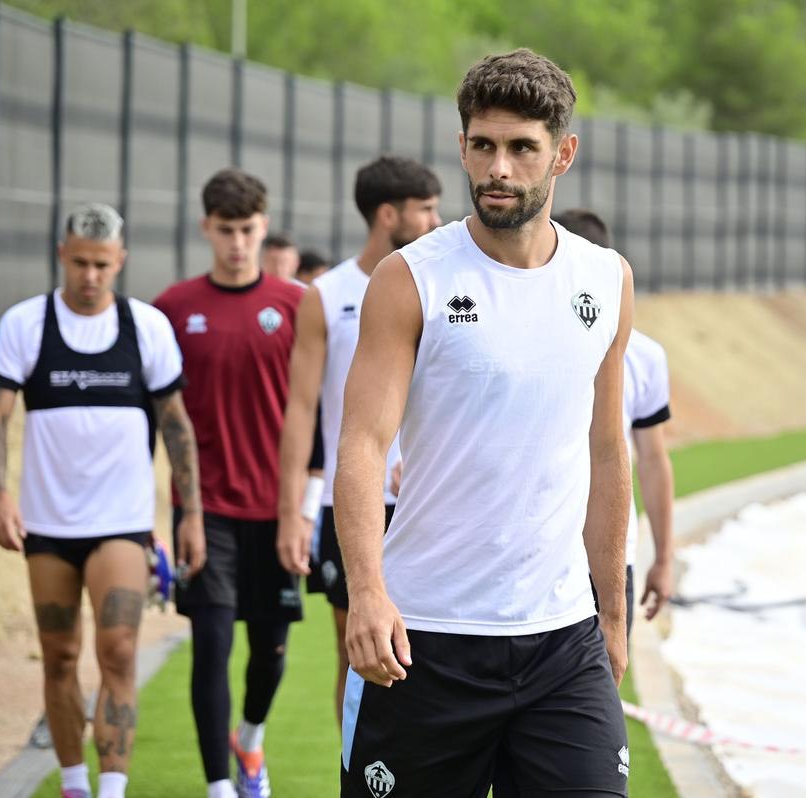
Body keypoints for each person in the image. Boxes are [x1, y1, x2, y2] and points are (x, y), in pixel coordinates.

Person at [334, 49, 634, 796]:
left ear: (562, 154)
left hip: (562, 643)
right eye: (483, 145)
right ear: (462, 146)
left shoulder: (607, 278)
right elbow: (363, 446)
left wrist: (614, 614)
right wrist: (368, 592)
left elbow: (606, 453)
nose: (498, 167)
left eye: (522, 148)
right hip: (426, 637)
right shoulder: (410, 280)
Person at [0, 203, 203, 798]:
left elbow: (177, 427)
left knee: (119, 652)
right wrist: (0, 496)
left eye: (102, 264)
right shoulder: (26, 325)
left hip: (121, 525)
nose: (90, 276)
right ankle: (74, 783)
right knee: (58, 656)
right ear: (62, 256)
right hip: (48, 527)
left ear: (120, 261)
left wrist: (192, 514)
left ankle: (112, 790)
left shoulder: (146, 327)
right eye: (80, 262)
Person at [153, 169, 305, 798]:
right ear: (205, 229)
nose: (237, 243)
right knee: (211, 645)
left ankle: (249, 736)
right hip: (204, 509)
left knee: (269, 653)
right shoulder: (171, 310)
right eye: (226, 231)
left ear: (263, 227)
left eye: (248, 230)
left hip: (278, 508)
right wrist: (168, 517)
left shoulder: (297, 306)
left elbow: (314, 414)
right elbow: (159, 420)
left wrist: (302, 509)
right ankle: (221, 786)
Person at [276, 156, 442, 727]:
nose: (436, 220)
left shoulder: (440, 285)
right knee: (358, 656)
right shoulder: (325, 295)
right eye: (425, 209)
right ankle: (355, 775)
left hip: (430, 503)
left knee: (435, 658)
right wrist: (292, 512)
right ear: (388, 213)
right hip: (349, 503)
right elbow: (300, 409)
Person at [554, 208, 676, 630]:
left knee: (602, 686)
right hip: (539, 553)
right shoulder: (522, 338)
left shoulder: (645, 356)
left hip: (608, 554)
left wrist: (662, 559)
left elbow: (653, 459)